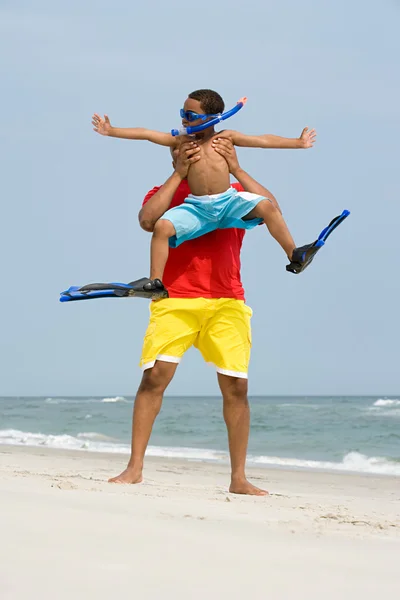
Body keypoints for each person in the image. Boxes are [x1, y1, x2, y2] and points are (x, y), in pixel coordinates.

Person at [109, 138, 287, 495]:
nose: (185, 153)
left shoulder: (233, 194)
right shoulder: (167, 194)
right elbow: (147, 221)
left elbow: (273, 209)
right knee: (155, 377)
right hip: (175, 298)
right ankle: (134, 468)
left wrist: (236, 167)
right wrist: (177, 175)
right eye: (178, 151)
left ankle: (238, 478)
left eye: (191, 150)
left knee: (237, 387)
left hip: (228, 300)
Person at [92, 89, 317, 291]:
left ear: (210, 118)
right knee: (162, 227)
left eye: (189, 115)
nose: (183, 119)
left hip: (228, 201)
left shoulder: (226, 137)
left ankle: (294, 254)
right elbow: (146, 133)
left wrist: (297, 143)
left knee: (267, 206)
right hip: (198, 207)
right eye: (183, 113)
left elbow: (263, 140)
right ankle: (155, 281)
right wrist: (112, 130)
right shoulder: (180, 141)